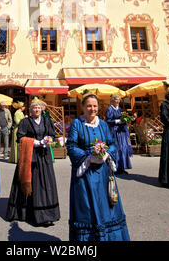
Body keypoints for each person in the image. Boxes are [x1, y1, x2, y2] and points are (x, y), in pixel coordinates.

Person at [66, 93, 130, 241]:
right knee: (88, 208)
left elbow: (112, 143)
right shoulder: (77, 123)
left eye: (95, 106)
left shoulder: (102, 124)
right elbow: (71, 145)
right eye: (89, 105)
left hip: (103, 173)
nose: (92, 109)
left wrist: (106, 155)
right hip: (85, 174)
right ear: (82, 107)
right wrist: (88, 158)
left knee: (106, 206)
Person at [6, 97, 60, 226]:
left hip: (44, 156)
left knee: (45, 184)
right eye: (34, 108)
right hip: (30, 156)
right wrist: (35, 142)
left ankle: (46, 215)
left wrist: (48, 140)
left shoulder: (47, 121)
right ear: (30, 110)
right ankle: (27, 213)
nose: (37, 109)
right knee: (32, 182)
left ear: (42, 109)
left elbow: (52, 134)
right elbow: (20, 137)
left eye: (38, 107)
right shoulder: (25, 122)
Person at [105, 95, 132, 174]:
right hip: (114, 131)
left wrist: (125, 119)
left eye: (119, 100)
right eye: (116, 100)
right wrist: (117, 121)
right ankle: (115, 167)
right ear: (112, 101)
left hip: (121, 132)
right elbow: (108, 120)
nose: (117, 101)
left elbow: (122, 117)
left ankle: (122, 167)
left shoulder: (119, 109)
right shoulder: (109, 109)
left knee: (123, 148)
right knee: (116, 149)